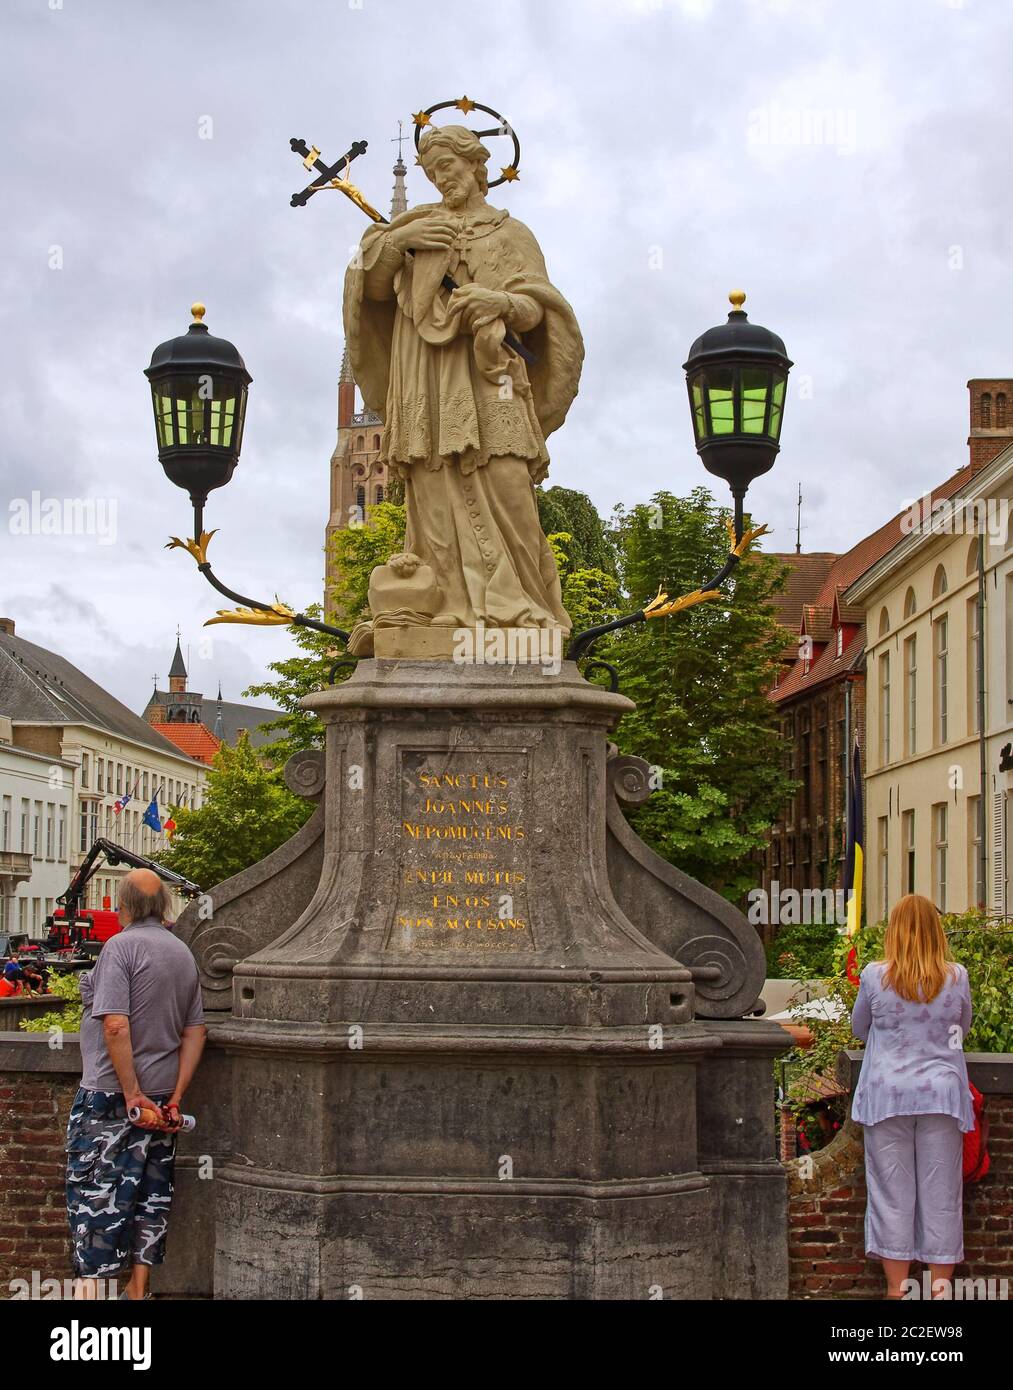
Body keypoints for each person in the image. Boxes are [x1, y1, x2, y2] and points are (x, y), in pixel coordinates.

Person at [344, 123, 584, 644]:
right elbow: (373, 290)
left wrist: (500, 304)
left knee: (509, 484)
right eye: (431, 171)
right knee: (432, 483)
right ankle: (448, 606)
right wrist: (399, 241)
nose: (439, 178)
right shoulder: (416, 226)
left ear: (476, 165)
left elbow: (538, 308)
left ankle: (526, 609)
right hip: (424, 376)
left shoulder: (510, 233)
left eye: (447, 166)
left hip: (491, 375)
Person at [66, 868, 207, 1301]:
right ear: (164, 905)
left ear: (123, 905)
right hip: (163, 1103)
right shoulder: (182, 953)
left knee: (95, 1194)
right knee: (151, 1195)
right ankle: (138, 1291)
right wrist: (176, 1096)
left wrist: (131, 1093)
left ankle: (92, 1301)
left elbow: (114, 1026)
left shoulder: (120, 947)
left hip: (112, 1098)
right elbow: (195, 1031)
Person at [850, 894, 974, 1299]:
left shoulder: (874, 976)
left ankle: (897, 1290)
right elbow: (963, 1027)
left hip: (888, 1096)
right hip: (941, 1095)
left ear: (894, 931)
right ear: (937, 931)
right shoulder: (956, 976)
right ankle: (939, 1291)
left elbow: (859, 1029)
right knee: (942, 1196)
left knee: (891, 1194)